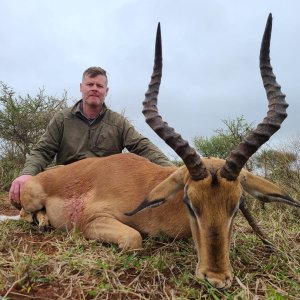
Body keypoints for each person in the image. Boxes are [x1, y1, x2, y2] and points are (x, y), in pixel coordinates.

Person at [9, 66, 173, 206]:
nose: (94, 88)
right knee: (20, 196)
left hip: (102, 188)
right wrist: (27, 174)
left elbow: (142, 146)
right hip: (67, 181)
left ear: (106, 91)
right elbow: (42, 150)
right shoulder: (62, 119)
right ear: (81, 87)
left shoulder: (118, 122)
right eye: (90, 84)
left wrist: (172, 171)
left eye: (99, 86)